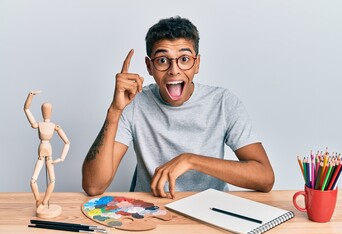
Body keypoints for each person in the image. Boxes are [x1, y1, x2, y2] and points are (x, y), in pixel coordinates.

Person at [82, 16, 274, 199]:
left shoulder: (223, 102)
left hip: (210, 210)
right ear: (149, 66)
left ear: (197, 63)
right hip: (152, 210)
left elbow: (265, 178)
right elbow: (93, 186)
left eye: (184, 59)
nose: (174, 70)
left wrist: (190, 160)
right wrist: (114, 112)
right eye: (163, 60)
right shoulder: (134, 103)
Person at [24, 91, 70, 216]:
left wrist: (61, 157)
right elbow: (26, 109)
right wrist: (30, 95)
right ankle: (38, 201)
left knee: (52, 180)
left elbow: (67, 142)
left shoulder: (55, 126)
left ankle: (44, 202)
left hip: (49, 156)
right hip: (41, 155)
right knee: (33, 180)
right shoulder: (39, 124)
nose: (46, 111)